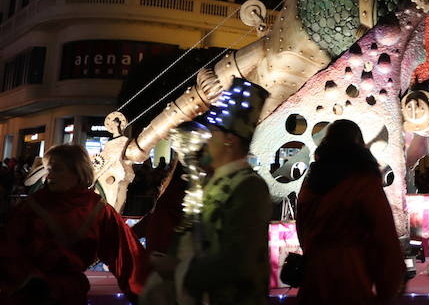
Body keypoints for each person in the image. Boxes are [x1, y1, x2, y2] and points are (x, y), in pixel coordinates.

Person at [148, 79, 272, 305]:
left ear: (229, 140)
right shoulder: (211, 182)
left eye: (213, 132)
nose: (206, 138)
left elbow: (238, 261)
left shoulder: (250, 188)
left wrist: (178, 269)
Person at [0, 144, 145, 305]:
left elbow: (126, 256)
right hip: (30, 295)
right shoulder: (31, 206)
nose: (49, 176)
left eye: (57, 169)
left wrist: (147, 295)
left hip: (71, 295)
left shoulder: (99, 209)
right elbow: (8, 250)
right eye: (48, 169)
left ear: (77, 171)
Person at [296, 119, 404, 304]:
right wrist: (388, 291)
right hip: (352, 279)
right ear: (359, 144)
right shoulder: (364, 182)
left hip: (314, 280)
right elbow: (385, 241)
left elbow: (302, 230)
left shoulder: (311, 182)